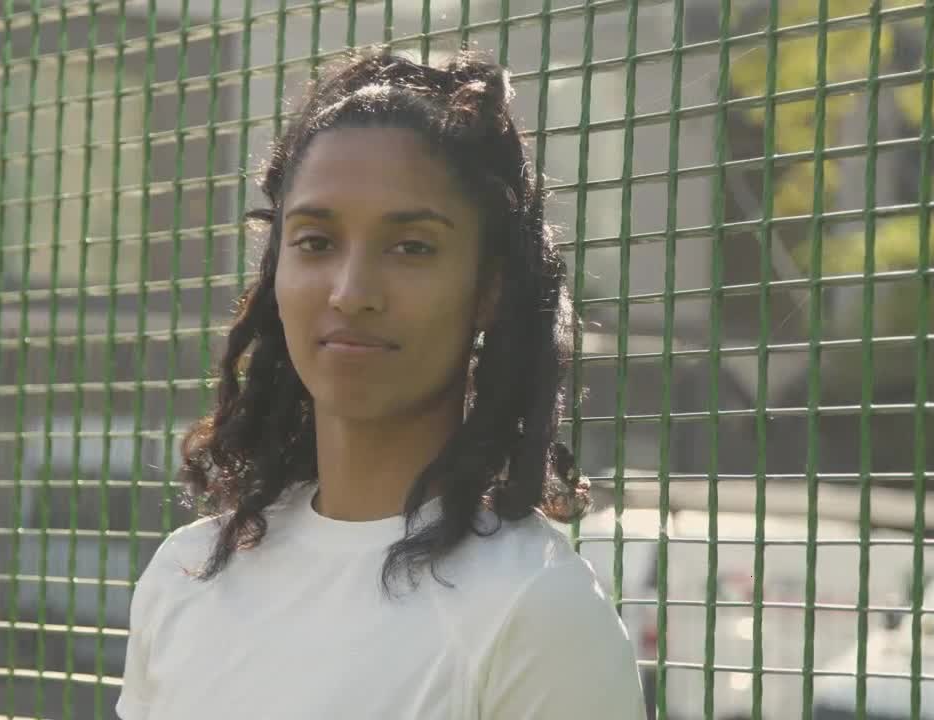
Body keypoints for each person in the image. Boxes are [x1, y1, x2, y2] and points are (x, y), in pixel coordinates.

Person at [116, 48, 646, 719]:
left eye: (412, 247)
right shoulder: (185, 575)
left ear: (489, 289)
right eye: (315, 242)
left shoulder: (534, 608)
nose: (351, 291)